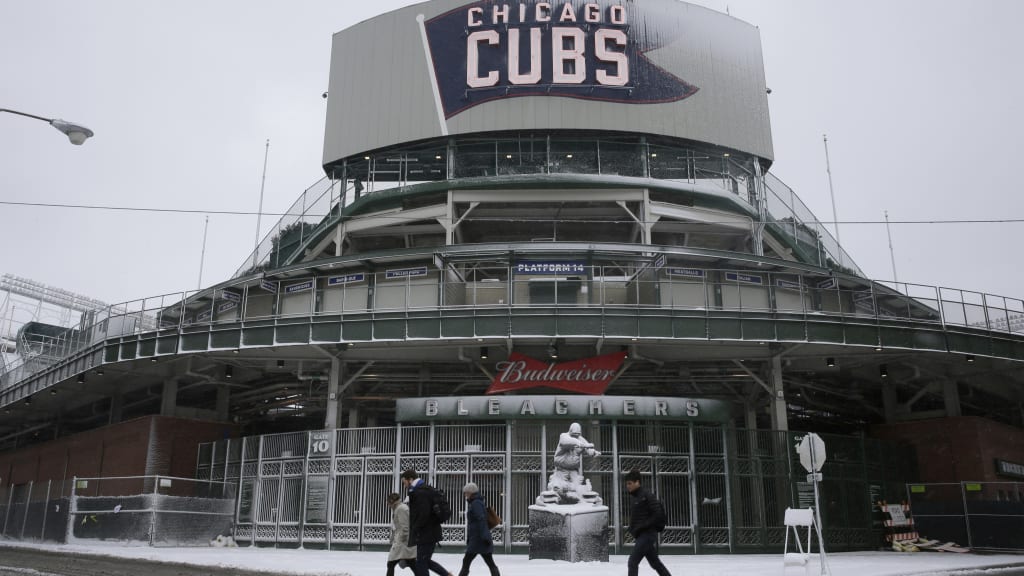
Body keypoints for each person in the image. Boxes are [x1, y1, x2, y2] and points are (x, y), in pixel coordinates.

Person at [401, 469, 454, 576]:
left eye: (404, 482)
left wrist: (415, 528)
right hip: (429, 533)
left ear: (410, 479)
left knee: (421, 563)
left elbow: (423, 515)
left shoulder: (420, 492)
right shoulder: (421, 490)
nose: (404, 485)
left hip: (426, 533)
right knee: (425, 561)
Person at [624, 469, 672, 576]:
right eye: (627, 483)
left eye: (630, 483)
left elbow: (658, 514)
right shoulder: (636, 497)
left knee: (632, 562)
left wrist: (643, 526)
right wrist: (632, 528)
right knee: (655, 563)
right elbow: (638, 517)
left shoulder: (647, 495)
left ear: (637, 482)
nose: (627, 486)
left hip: (647, 535)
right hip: (642, 535)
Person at [549, 422, 602, 503]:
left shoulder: (581, 439)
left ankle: (576, 502)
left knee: (577, 488)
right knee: (558, 487)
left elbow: (588, 449)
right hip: (562, 469)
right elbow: (566, 442)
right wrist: (580, 444)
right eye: (573, 435)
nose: (576, 437)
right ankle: (560, 500)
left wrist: (594, 452)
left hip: (573, 470)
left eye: (577, 435)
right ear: (570, 431)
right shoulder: (564, 436)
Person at [458, 482, 500, 576]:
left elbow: (481, 520)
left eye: (466, 492)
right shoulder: (476, 502)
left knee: (467, 561)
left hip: (478, 538)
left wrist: (485, 536)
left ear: (471, 492)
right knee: (489, 562)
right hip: (478, 538)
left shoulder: (476, 503)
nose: (465, 494)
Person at [387, 493, 417, 576]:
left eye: (388, 503)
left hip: (403, 542)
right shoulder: (399, 508)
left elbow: (405, 526)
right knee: (411, 563)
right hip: (404, 541)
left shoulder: (401, 509)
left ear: (392, 501)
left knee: (391, 563)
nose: (388, 505)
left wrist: (402, 539)